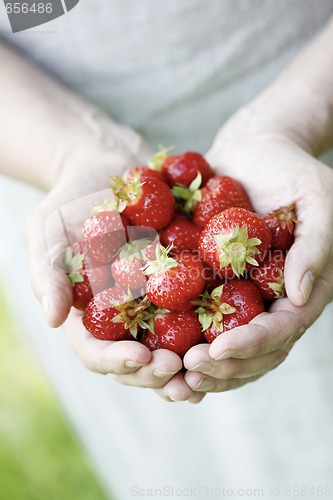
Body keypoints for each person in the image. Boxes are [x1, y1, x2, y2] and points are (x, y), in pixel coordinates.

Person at [0, 1, 333, 498]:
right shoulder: (122, 247)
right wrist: (72, 151)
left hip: (310, 87)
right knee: (177, 458)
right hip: (37, 135)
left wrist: (295, 120)